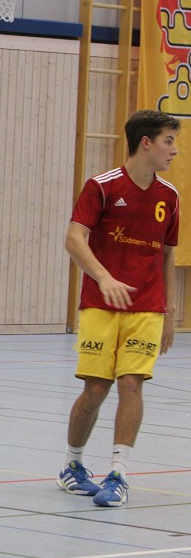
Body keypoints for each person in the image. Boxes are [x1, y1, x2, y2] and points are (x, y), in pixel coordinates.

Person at [57, 109, 180, 508]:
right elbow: (75, 239)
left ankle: (118, 473)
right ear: (146, 142)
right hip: (100, 304)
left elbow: (166, 256)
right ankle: (72, 465)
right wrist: (104, 277)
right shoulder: (102, 187)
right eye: (168, 141)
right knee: (96, 388)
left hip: (147, 307)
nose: (174, 151)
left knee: (132, 384)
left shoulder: (169, 196)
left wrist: (170, 312)